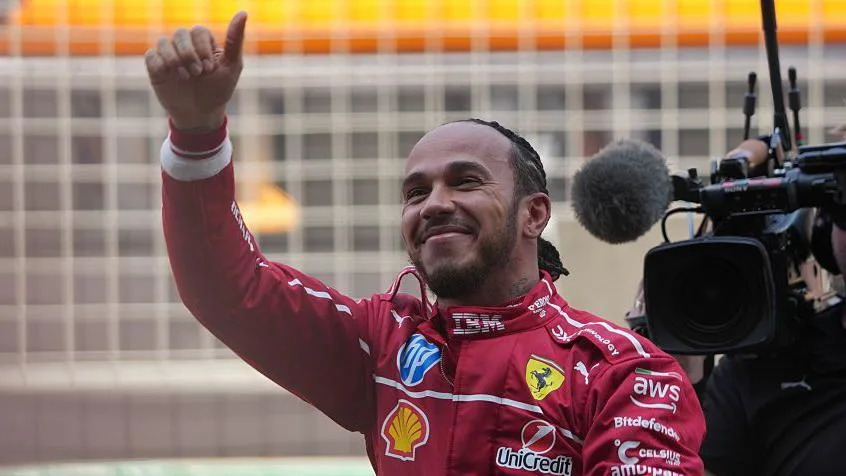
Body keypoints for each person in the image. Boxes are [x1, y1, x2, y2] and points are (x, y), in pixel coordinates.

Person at [145, 11, 706, 475]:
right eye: (416, 192)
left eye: (465, 182)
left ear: (534, 214)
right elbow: (228, 289)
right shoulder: (382, 344)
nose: (434, 203)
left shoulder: (622, 372)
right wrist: (197, 133)